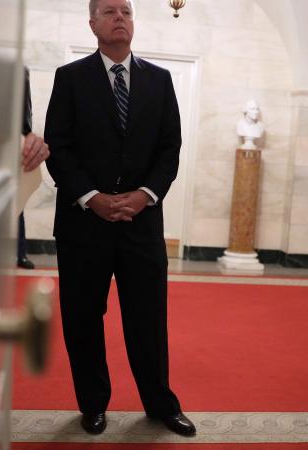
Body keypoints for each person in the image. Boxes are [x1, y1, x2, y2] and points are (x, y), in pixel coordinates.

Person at [44, 0, 195, 437]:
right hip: (83, 224)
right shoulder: (70, 79)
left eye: (126, 11)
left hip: (141, 224)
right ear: (92, 23)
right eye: (109, 11)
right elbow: (59, 146)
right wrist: (92, 197)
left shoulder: (160, 81)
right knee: (83, 317)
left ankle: (160, 404)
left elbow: (170, 147)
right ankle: (92, 404)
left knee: (147, 318)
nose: (120, 18)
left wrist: (144, 196)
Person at [18, 67, 49, 269]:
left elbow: (25, 110)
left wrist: (27, 133)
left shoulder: (21, 71)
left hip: (18, 140)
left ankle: (19, 253)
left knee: (18, 200)